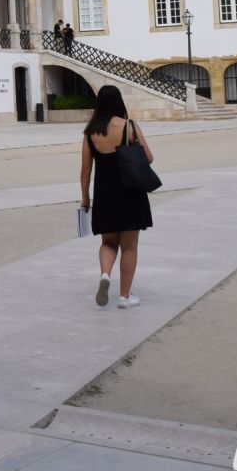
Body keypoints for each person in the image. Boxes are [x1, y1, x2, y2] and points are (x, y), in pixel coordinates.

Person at [79, 84, 153, 309]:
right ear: (119, 102)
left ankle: (104, 275)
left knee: (108, 242)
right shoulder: (129, 126)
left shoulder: (90, 132)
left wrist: (86, 198)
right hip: (130, 191)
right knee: (129, 246)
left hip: (105, 193)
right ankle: (124, 296)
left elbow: (85, 169)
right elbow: (149, 158)